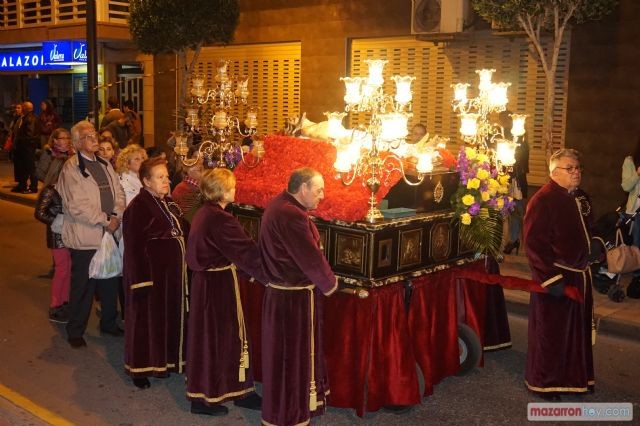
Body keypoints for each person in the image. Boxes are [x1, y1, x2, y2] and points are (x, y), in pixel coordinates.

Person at [259, 167, 339, 426]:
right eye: (318, 190)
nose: (322, 195)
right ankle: (288, 414)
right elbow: (310, 257)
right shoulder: (290, 214)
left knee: (288, 359)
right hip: (291, 302)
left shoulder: (281, 205)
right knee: (290, 361)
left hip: (285, 296)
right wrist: (331, 284)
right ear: (303, 188)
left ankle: (294, 409)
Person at [185, 168, 267, 416]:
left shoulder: (207, 213)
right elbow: (245, 251)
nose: (235, 189)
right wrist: (274, 272)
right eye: (231, 186)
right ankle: (206, 397)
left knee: (218, 338)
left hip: (208, 284)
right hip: (217, 286)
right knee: (220, 338)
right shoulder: (220, 219)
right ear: (221, 191)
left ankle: (237, 389)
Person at [523, 149, 597, 401]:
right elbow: (533, 244)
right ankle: (546, 384)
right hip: (557, 279)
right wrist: (550, 278)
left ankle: (576, 379)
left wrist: (596, 246)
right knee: (552, 335)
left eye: (578, 167)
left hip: (581, 277)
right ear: (554, 172)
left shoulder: (581, 197)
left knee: (577, 333)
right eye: (570, 168)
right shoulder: (542, 200)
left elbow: (591, 228)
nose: (576, 172)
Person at [57, 120, 125, 348]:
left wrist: (116, 215)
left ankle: (108, 323)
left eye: (94, 134)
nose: (94, 138)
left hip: (109, 233)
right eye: (88, 136)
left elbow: (119, 193)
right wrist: (106, 220)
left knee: (109, 282)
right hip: (86, 236)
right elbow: (77, 205)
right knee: (83, 286)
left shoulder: (105, 165)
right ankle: (75, 330)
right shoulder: (71, 168)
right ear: (77, 143)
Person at [122, 156, 189, 389]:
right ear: (146, 181)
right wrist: (140, 281)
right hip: (150, 278)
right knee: (145, 324)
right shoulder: (138, 208)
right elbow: (133, 248)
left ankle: (166, 362)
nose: (166, 181)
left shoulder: (168, 202)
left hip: (171, 279)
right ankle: (139, 369)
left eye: (167, 176)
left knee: (167, 321)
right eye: (160, 177)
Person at [34, 128, 74, 323]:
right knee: (62, 269)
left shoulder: (68, 190)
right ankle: (56, 303)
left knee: (68, 268)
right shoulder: (50, 190)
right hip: (57, 236)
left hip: (69, 234)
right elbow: (40, 212)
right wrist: (56, 220)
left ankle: (65, 301)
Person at [501, 111, 529, 255]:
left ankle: (513, 240)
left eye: (506, 119)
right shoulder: (499, 135)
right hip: (500, 179)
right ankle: (501, 240)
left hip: (516, 180)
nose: (503, 122)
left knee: (516, 211)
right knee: (501, 210)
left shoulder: (520, 138)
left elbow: (522, 161)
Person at [620, 138, 640, 298]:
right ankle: (637, 278)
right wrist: (638, 173)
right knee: (637, 245)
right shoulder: (630, 161)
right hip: (635, 211)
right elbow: (626, 186)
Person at [12, 101, 39, 194]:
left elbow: (29, 134)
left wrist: (22, 142)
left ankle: (33, 187)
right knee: (23, 167)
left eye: (23, 107)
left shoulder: (30, 118)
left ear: (26, 108)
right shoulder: (25, 118)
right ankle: (22, 185)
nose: (21, 108)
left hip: (27, 148)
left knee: (30, 167)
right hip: (24, 147)